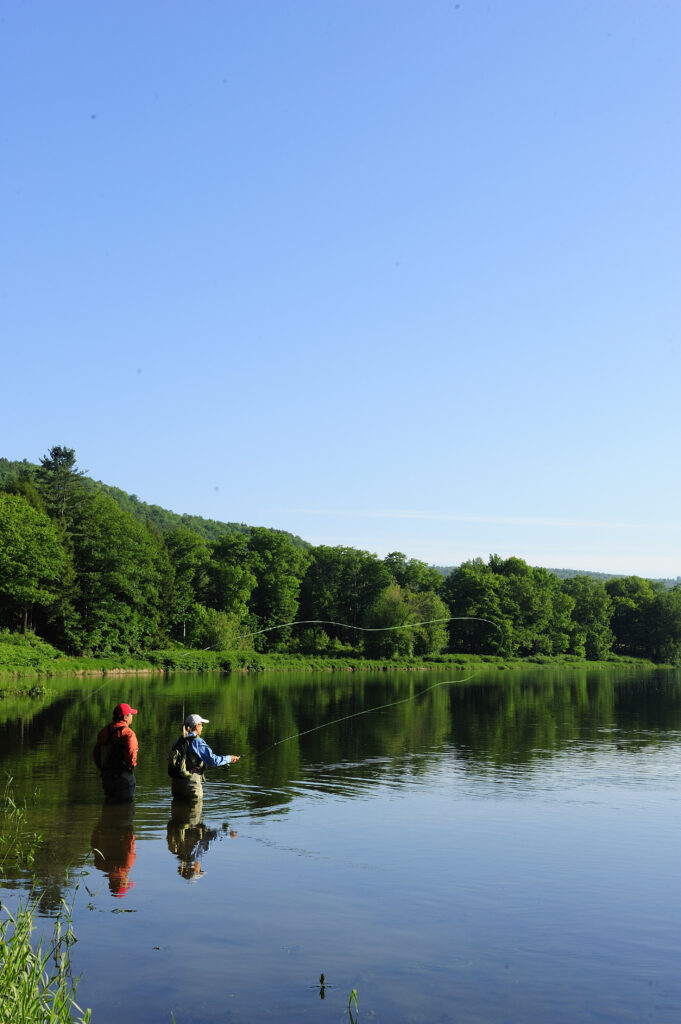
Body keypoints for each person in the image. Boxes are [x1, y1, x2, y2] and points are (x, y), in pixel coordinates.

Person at [168, 713, 240, 801]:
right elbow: (212, 760)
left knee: (178, 808)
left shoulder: (177, 741)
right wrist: (229, 758)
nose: (202, 727)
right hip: (191, 784)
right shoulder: (197, 742)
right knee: (195, 809)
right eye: (202, 725)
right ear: (196, 726)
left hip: (176, 785)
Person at [93, 702, 138, 803]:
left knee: (109, 803)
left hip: (107, 777)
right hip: (123, 777)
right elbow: (131, 752)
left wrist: (103, 769)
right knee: (126, 807)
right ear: (125, 717)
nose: (132, 716)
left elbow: (96, 754)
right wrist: (131, 767)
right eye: (131, 714)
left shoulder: (104, 731)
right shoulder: (128, 733)